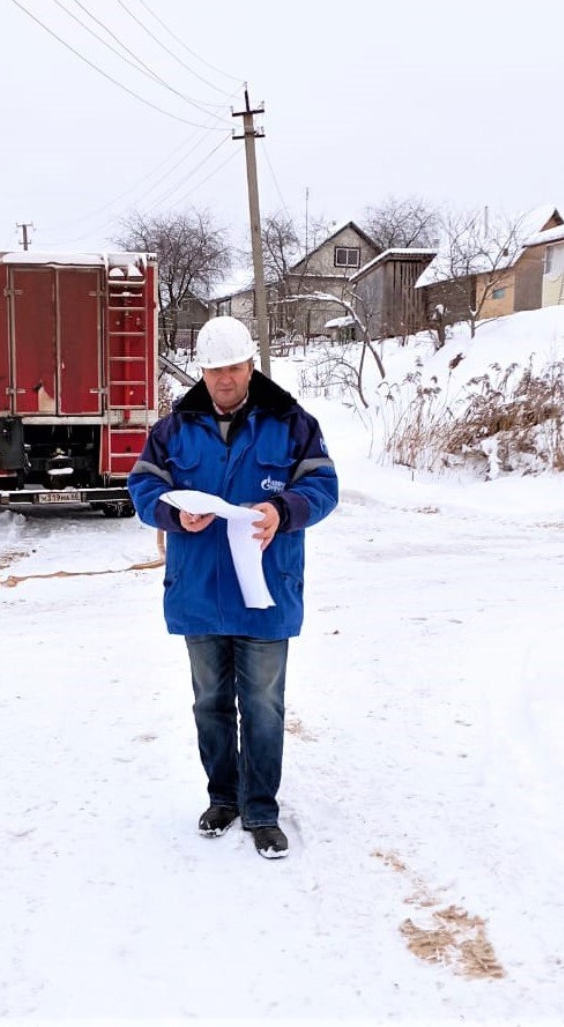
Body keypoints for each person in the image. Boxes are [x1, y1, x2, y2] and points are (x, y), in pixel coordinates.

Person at [128, 316, 338, 859]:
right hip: (199, 590)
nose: (225, 378)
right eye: (215, 368)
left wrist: (282, 509)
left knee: (264, 706)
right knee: (211, 704)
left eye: (235, 366)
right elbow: (144, 484)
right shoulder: (173, 429)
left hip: (265, 591)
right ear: (202, 370)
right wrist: (173, 514)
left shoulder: (292, 423)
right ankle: (223, 798)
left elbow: (323, 485)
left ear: (251, 365)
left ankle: (262, 809)